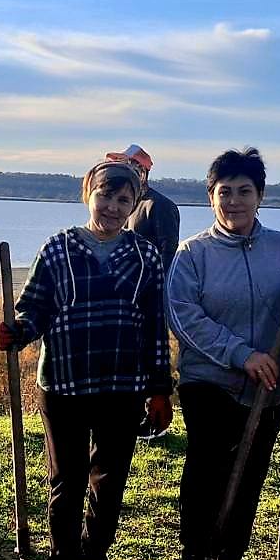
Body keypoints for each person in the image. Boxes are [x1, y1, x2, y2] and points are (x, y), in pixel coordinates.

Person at [0, 159, 173, 560]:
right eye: (105, 196)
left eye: (123, 199)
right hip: (64, 385)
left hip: (122, 386)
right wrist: (18, 331)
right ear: (87, 195)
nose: (112, 207)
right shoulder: (57, 250)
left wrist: (159, 388)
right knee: (67, 479)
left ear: (134, 204)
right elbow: (34, 309)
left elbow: (155, 326)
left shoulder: (145, 256)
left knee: (109, 480)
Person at [162, 147, 280, 560]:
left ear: (260, 196)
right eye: (224, 191)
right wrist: (240, 354)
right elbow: (184, 317)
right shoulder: (193, 254)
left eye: (244, 191)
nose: (233, 200)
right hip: (209, 381)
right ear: (211, 196)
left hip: (268, 388)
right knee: (207, 469)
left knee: (249, 475)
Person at [107, 143, 181, 441]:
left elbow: (167, 255)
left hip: (149, 300)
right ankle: (128, 415)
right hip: (120, 299)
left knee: (149, 356)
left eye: (129, 164)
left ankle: (153, 417)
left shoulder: (159, 206)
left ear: (143, 171)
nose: (123, 169)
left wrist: (151, 295)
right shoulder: (123, 203)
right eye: (120, 164)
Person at [108, 143, 181, 272]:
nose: (120, 173)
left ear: (141, 172)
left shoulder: (160, 205)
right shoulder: (126, 204)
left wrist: (157, 286)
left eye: (126, 167)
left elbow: (169, 253)